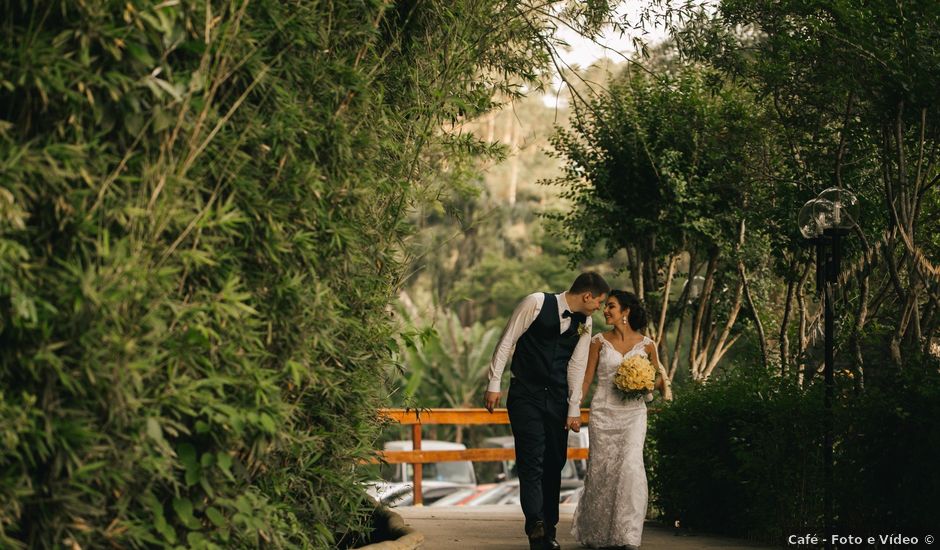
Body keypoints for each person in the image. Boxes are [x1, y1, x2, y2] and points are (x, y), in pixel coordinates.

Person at [483, 272, 610, 550]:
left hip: (557, 400)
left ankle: (548, 528)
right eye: (599, 302)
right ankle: (535, 526)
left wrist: (573, 408)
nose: (599, 307)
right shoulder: (536, 302)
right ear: (587, 296)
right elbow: (507, 341)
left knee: (555, 462)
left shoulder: (585, 322)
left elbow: (576, 365)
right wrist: (494, 383)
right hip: (525, 395)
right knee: (532, 460)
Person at [571, 290, 666, 550]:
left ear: (626, 311)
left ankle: (627, 534)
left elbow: (658, 380)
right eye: (606, 306)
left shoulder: (647, 344)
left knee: (630, 468)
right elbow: (587, 378)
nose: (606, 311)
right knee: (602, 470)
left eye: (611, 306)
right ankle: (598, 532)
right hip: (604, 413)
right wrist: (575, 409)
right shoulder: (598, 342)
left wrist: (646, 383)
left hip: (634, 415)